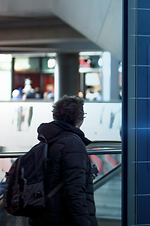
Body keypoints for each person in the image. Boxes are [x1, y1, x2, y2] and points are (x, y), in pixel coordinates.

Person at [29, 95, 98, 226]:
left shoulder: (47, 140)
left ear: (55, 116)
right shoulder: (73, 144)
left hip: (43, 214)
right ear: (79, 118)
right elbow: (74, 191)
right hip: (63, 218)